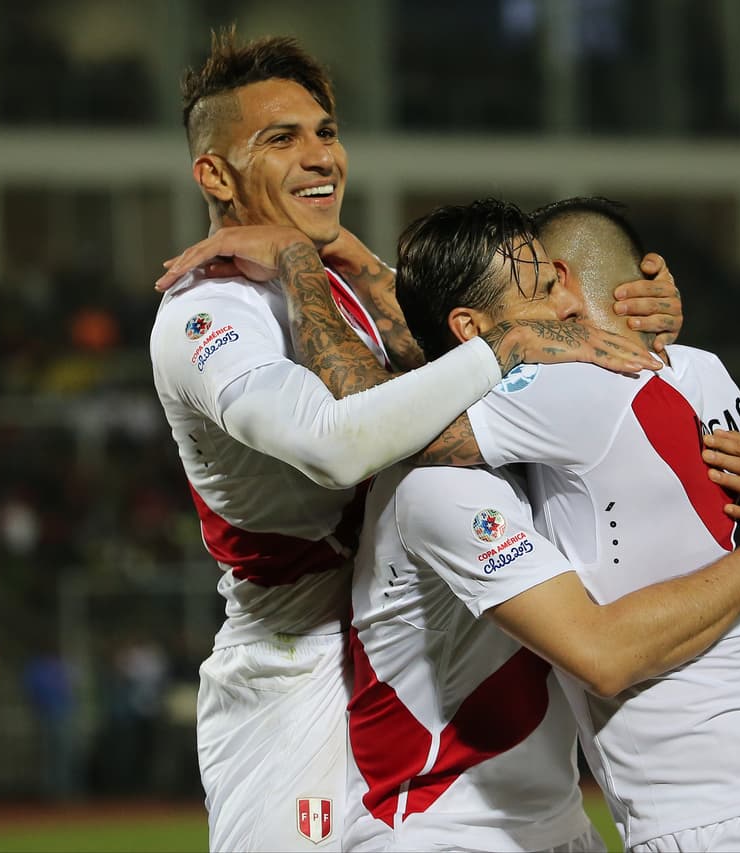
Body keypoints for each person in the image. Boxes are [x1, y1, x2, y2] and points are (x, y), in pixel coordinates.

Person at [150, 29, 677, 853]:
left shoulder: (337, 283)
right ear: (214, 173)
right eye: (279, 139)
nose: (319, 155)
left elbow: (499, 327)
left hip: (422, 626)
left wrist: (641, 317)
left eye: (325, 131)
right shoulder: (205, 313)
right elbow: (336, 444)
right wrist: (503, 349)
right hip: (300, 664)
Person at [344, 197, 740, 852]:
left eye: (557, 285)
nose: (559, 312)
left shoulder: (567, 394)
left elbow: (358, 431)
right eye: (540, 290)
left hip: (712, 814)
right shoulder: (701, 369)